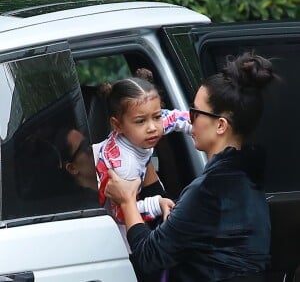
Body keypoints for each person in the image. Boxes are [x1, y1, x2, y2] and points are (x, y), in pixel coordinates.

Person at [104, 51, 280, 281]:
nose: (188, 118)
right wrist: (143, 160)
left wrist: (127, 202)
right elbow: (182, 230)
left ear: (220, 126)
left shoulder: (210, 189)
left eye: (195, 112)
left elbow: (149, 257)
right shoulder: (243, 175)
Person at [92, 77, 191, 250]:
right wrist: (157, 204)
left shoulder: (145, 129)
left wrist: (203, 129)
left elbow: (176, 118)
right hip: (120, 233)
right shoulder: (124, 166)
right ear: (117, 125)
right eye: (141, 121)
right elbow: (122, 212)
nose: (152, 127)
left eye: (157, 116)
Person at [54, 127, 99, 209]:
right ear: (72, 168)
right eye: (86, 147)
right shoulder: (92, 209)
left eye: (90, 143)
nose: (93, 148)